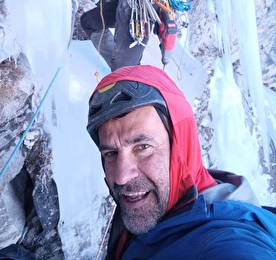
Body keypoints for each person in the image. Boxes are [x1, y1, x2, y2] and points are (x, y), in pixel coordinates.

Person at [87, 64, 276, 259]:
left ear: (182, 146)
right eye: (110, 153)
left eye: (143, 147)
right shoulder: (155, 201)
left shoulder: (231, 243)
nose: (121, 177)